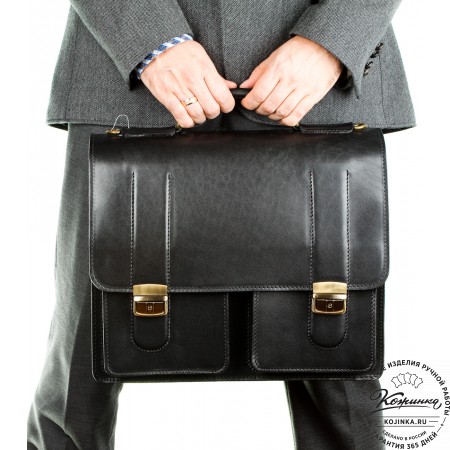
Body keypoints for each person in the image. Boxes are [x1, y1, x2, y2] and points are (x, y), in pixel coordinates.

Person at [27, 0, 415, 449]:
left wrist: (333, 38)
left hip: (313, 81)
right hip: (129, 74)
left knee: (343, 372)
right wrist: (149, 38)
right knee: (82, 366)